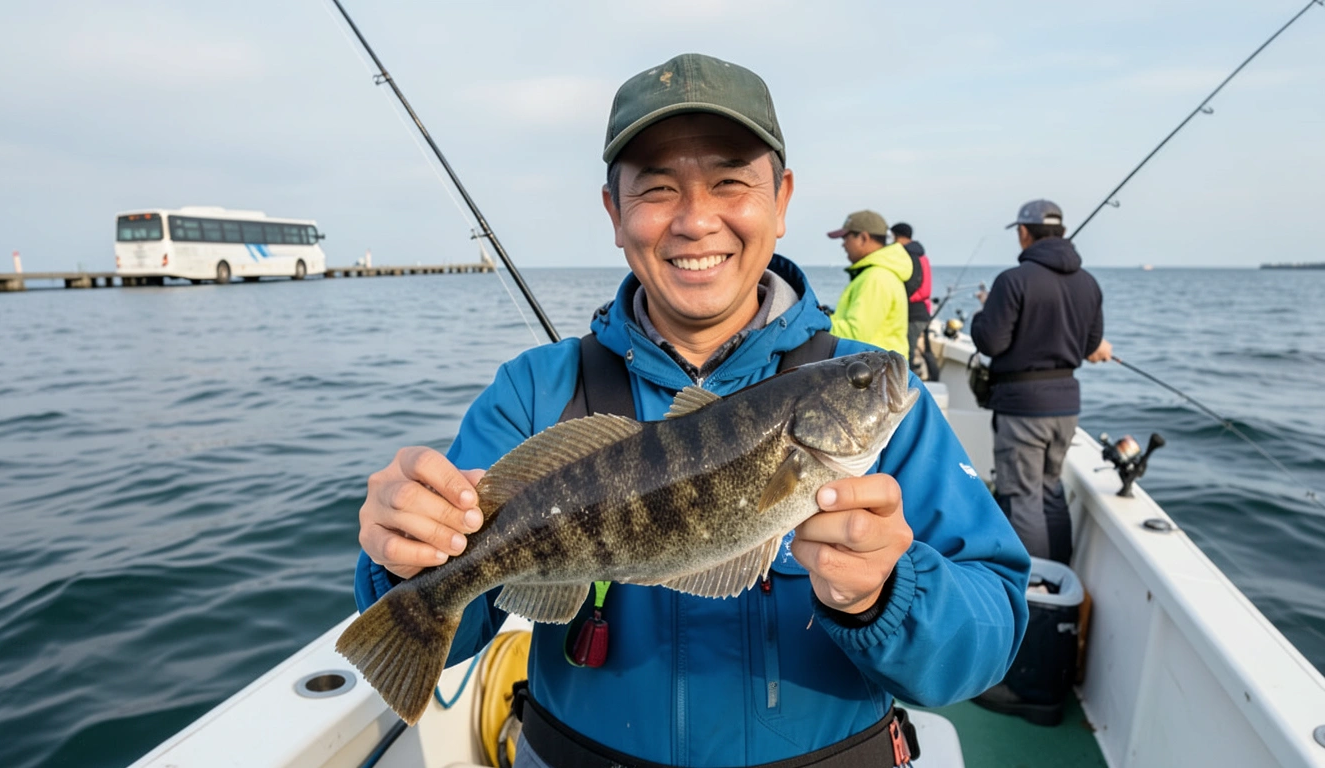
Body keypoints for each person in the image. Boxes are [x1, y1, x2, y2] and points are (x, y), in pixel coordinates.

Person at [355, 53, 1029, 768]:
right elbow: (455, 627)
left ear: (782, 199)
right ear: (615, 213)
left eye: (731, 182)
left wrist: (888, 593)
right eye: (657, 189)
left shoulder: (900, 417)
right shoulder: (533, 392)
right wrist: (405, 557)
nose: (696, 220)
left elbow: (985, 639)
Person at [970, 200, 1112, 564]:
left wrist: (983, 313)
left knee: (1022, 497)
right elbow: (1090, 345)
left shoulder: (1013, 280)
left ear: (1023, 232)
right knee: (1050, 491)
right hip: (1066, 407)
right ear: (1061, 231)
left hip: (1022, 407)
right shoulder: (1089, 283)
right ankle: (1059, 573)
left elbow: (990, 342)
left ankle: (1034, 585)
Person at [826, 211, 913, 359]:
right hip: (877, 364)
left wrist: (816, 323)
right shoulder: (880, 273)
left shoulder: (876, 277)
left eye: (846, 237)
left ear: (863, 238)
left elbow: (855, 334)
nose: (843, 244)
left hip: (875, 368)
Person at [891, 222, 933, 380]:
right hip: (922, 311)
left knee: (907, 355)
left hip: (913, 312)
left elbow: (912, 284)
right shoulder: (921, 255)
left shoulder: (909, 256)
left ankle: (908, 386)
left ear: (898, 236)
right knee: (921, 352)